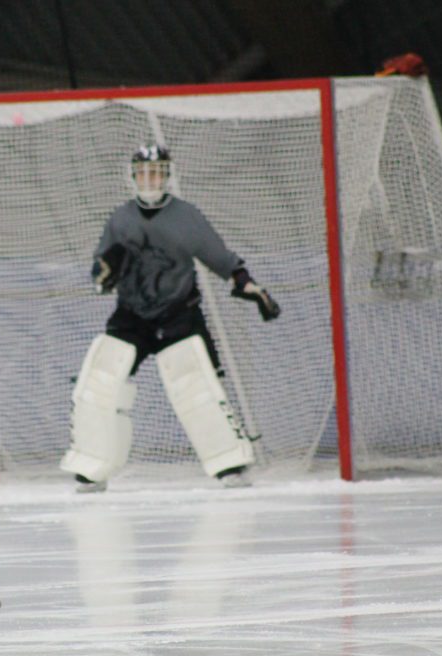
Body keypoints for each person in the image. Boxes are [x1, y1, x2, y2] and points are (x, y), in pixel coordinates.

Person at [60, 144, 281, 493]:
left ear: (167, 175)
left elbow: (220, 258)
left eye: (157, 172)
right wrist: (105, 272)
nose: (150, 179)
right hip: (132, 315)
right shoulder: (120, 219)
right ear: (133, 177)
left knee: (198, 386)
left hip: (179, 313)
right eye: (144, 173)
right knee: (100, 380)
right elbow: (100, 275)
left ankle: (229, 464)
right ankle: (92, 466)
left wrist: (249, 286)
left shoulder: (186, 216)